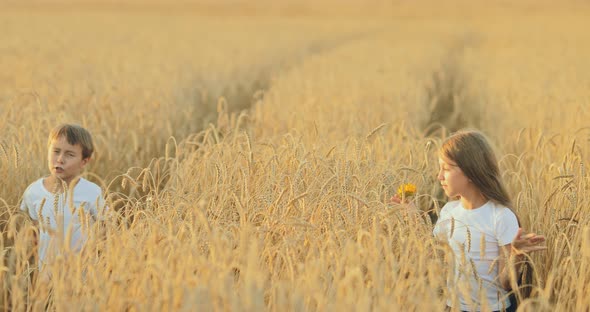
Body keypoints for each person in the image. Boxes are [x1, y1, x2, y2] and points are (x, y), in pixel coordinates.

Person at [392, 130, 546, 312]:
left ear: (471, 171)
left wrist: (516, 255)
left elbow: (506, 283)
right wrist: (414, 218)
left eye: (447, 169)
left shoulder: (501, 216)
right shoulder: (449, 211)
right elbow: (433, 252)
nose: (439, 176)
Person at [20, 124, 106, 272]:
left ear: (84, 161)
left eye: (69, 154)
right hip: (46, 278)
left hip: (83, 278)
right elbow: (33, 236)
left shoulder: (92, 192)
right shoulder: (33, 192)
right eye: (55, 151)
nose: (60, 159)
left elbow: (105, 233)